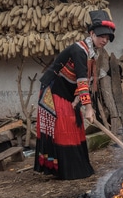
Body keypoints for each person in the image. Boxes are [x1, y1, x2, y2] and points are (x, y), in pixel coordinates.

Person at [34, 10, 115, 180]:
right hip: (55, 91)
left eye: (107, 37)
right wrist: (88, 108)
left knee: (75, 128)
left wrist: (78, 99)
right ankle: (67, 171)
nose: (105, 40)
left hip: (69, 94)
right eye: (102, 36)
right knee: (66, 128)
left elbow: (83, 79)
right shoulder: (79, 50)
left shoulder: (92, 52)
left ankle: (78, 168)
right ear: (91, 33)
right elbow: (82, 81)